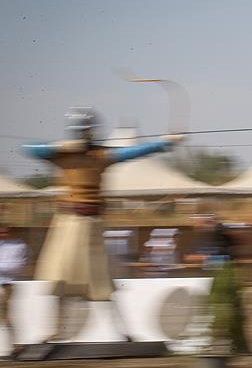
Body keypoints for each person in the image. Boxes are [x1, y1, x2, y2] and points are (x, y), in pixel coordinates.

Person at [22, 107, 183, 342]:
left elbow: (132, 152)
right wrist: (60, 147)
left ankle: (123, 332)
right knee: (61, 279)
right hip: (68, 223)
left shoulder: (100, 155)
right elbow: (28, 149)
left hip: (90, 226)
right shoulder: (62, 154)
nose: (90, 134)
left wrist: (163, 143)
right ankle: (55, 330)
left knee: (101, 281)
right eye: (87, 130)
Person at [0, 225, 27, 353]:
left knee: (6, 316)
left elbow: (15, 266)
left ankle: (14, 345)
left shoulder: (18, 245)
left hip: (6, 284)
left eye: (4, 231)